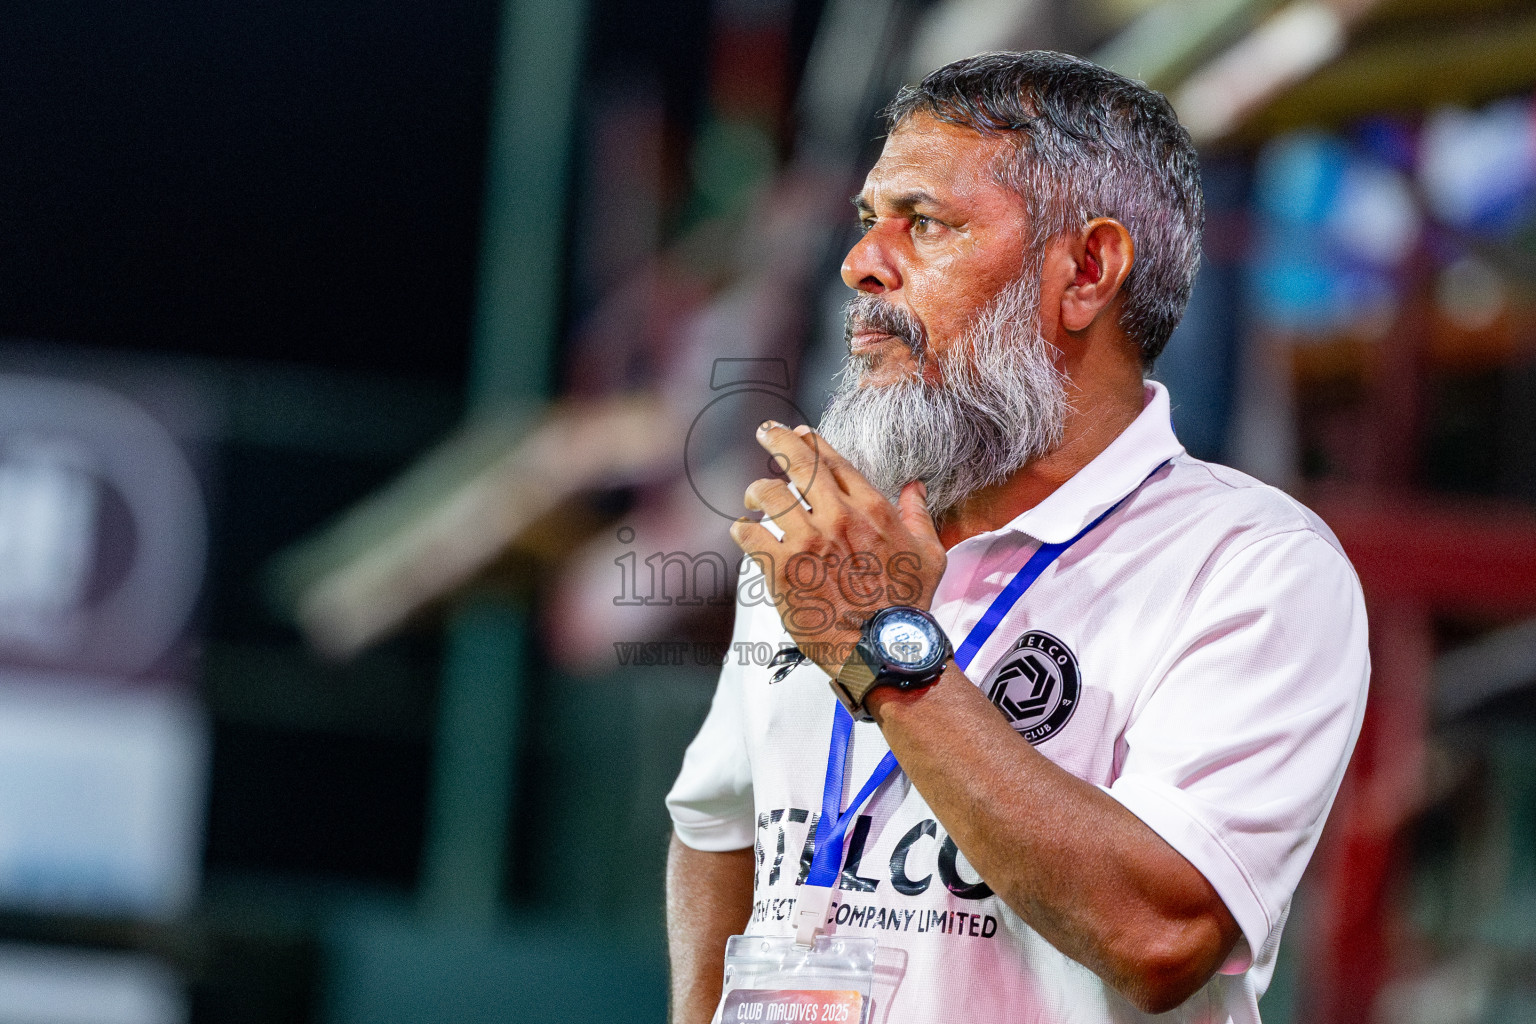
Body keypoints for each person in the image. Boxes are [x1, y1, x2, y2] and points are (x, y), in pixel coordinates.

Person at [664, 51, 1369, 1024]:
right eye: (870, 220)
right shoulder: (834, 537)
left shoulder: (1252, 565)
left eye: (927, 223)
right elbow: (716, 825)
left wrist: (882, 646)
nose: (862, 263)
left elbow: (1159, 938)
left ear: (1085, 271)